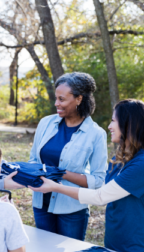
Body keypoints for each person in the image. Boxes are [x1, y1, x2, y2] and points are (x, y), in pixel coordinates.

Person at [29, 99, 144, 252]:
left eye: (113, 121)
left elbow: (100, 196)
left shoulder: (143, 164)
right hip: (115, 241)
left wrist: (55, 187)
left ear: (129, 124)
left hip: (137, 246)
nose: (110, 126)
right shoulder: (121, 158)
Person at [29, 72, 107, 241]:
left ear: (79, 99)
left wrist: (59, 173)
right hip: (41, 204)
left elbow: (98, 180)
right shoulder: (45, 123)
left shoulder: (96, 134)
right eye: (56, 98)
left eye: (62, 99)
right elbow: (34, 159)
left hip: (71, 210)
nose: (56, 103)